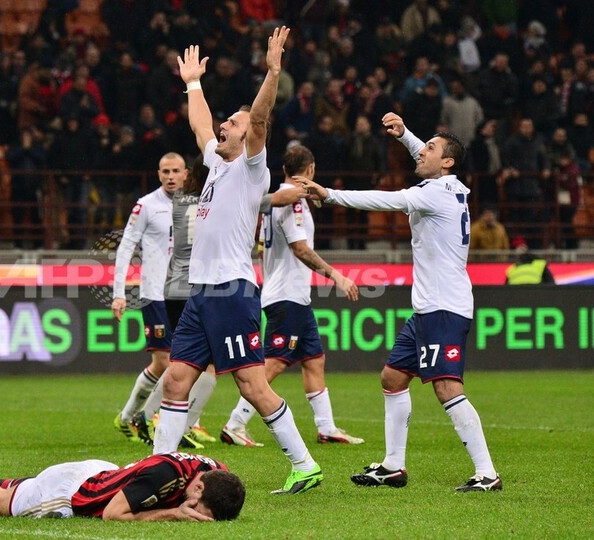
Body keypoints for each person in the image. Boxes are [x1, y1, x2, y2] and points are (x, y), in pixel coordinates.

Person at [154, 27, 324, 496]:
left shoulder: (252, 169)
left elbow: (261, 117)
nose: (223, 125)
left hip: (232, 292)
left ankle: (304, 464)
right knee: (176, 381)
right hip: (201, 294)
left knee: (252, 386)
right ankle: (159, 467)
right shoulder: (216, 161)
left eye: (233, 121)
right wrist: (193, 83)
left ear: (249, 135)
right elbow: (200, 125)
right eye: (226, 120)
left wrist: (272, 72)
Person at [301, 112, 502, 492]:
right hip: (428, 308)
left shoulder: (433, 194)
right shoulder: (449, 186)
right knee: (392, 378)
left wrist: (329, 194)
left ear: (447, 162)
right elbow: (425, 157)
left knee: (447, 388)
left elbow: (385, 200)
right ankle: (393, 466)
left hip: (444, 307)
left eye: (430, 148)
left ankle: (487, 473)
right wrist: (405, 134)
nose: (420, 152)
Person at [220, 145, 362, 448]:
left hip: (290, 294)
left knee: (314, 360)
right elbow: (300, 248)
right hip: (287, 296)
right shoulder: (293, 202)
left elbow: (261, 248)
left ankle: (326, 427)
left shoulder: (274, 201)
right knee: (274, 362)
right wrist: (335, 275)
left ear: (285, 169)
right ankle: (235, 423)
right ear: (310, 169)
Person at [0, 452, 244, 521]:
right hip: (73, 493)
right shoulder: (164, 475)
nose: (194, 514)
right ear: (199, 489)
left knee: (26, 489)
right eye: (198, 509)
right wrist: (173, 514)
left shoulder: (215, 472)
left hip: (103, 472)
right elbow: (112, 515)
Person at [111, 153, 187, 441]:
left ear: (185, 174)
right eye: (165, 171)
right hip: (154, 294)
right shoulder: (146, 205)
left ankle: (141, 418)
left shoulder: (193, 205)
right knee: (165, 361)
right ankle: (137, 417)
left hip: (184, 294)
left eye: (175, 171)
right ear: (158, 174)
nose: (170, 176)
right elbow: (126, 247)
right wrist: (119, 294)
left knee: (185, 361)